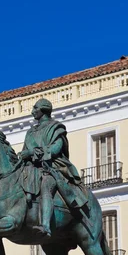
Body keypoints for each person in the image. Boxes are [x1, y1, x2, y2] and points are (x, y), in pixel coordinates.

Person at [19, 98, 88, 237]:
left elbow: (55, 150)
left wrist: (32, 153)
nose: (32, 112)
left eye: (35, 108)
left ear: (43, 110)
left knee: (46, 185)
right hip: (31, 168)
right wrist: (23, 155)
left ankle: (45, 226)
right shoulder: (30, 132)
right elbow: (25, 150)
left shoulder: (56, 128)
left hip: (52, 168)